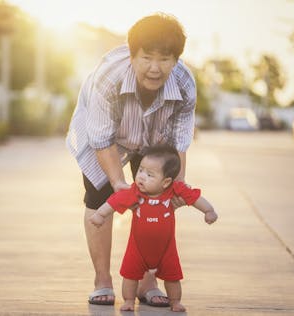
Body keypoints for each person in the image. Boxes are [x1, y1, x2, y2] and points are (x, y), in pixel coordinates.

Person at [66, 13, 197, 306]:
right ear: (132, 55)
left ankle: (147, 282)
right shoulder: (108, 78)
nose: (154, 68)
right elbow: (101, 139)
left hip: (154, 136)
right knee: (99, 196)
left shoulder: (185, 84)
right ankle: (102, 280)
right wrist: (118, 183)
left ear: (176, 60)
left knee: (157, 198)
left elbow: (179, 138)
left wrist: (177, 183)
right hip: (107, 132)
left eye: (164, 59)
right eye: (146, 58)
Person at [89, 145, 218, 312]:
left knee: (172, 277)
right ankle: (128, 300)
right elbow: (116, 200)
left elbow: (194, 197)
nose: (141, 177)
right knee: (130, 275)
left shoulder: (174, 190)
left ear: (166, 182)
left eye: (149, 175)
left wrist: (208, 210)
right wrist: (101, 214)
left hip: (166, 250)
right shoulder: (135, 192)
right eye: (141, 170)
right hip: (138, 249)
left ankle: (175, 301)